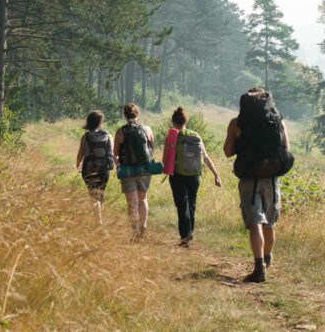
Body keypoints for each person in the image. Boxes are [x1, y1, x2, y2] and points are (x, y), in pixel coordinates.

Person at [224, 88, 291, 283]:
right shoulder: (278, 121)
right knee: (269, 223)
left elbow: (228, 151)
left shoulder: (236, 123)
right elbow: (286, 149)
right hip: (271, 178)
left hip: (248, 179)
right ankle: (267, 260)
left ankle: (258, 265)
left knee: (255, 223)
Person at [164, 106, 222, 247]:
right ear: (186, 121)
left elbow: (166, 157)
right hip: (195, 175)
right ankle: (189, 234)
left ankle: (185, 236)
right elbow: (206, 157)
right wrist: (216, 175)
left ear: (173, 122)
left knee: (182, 205)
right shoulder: (196, 135)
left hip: (178, 175)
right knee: (191, 204)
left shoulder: (172, 136)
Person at [115, 103, 155, 239]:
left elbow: (115, 155)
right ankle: (143, 225)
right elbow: (152, 149)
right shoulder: (147, 129)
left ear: (125, 115)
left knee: (132, 203)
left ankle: (135, 231)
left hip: (127, 170)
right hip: (145, 169)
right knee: (142, 199)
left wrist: (118, 166)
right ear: (138, 114)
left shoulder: (121, 131)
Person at [76, 110, 114, 223]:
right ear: (100, 122)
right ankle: (99, 216)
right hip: (104, 169)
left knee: (93, 194)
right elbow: (111, 153)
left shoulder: (85, 137)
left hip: (89, 168)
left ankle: (98, 221)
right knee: (101, 192)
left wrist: (78, 164)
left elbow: (80, 154)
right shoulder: (108, 136)